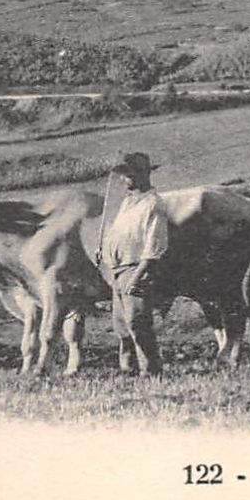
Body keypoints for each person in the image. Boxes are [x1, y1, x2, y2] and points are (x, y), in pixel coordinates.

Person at [101, 151, 171, 375]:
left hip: (136, 269)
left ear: (143, 174)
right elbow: (121, 233)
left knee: (137, 323)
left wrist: (138, 275)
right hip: (118, 270)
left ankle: (151, 370)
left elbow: (153, 247)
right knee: (121, 325)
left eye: (128, 175)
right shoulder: (127, 203)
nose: (124, 179)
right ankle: (128, 368)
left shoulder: (153, 204)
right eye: (123, 175)